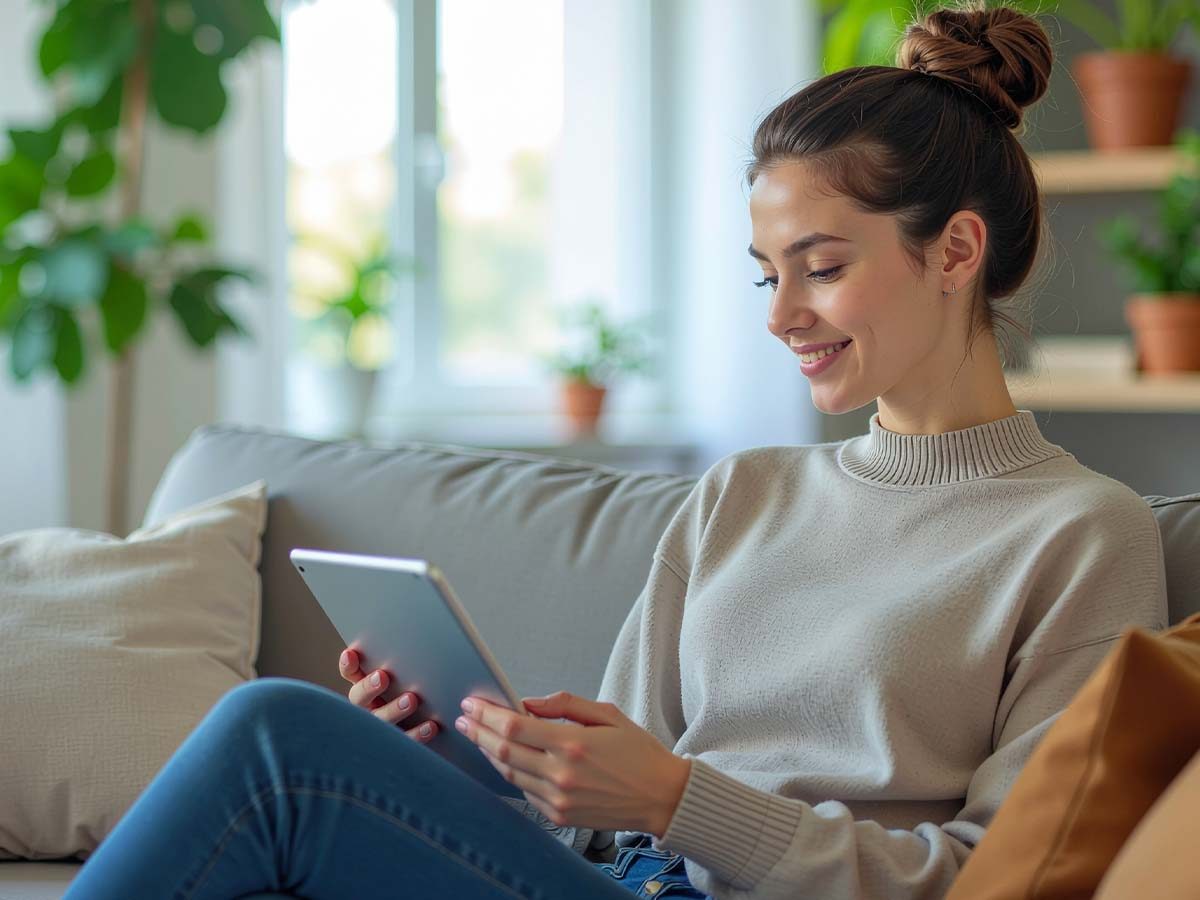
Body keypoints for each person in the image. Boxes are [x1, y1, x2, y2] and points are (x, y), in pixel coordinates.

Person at [62, 3, 1169, 899]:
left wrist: (679, 802)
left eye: (822, 267)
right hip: (612, 882)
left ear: (957, 251)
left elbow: (994, 880)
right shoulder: (742, 494)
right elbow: (595, 824)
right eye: (765, 274)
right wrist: (447, 756)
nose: (781, 315)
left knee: (272, 736)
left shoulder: (1079, 534)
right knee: (302, 755)